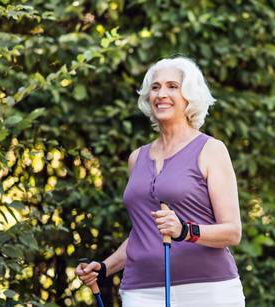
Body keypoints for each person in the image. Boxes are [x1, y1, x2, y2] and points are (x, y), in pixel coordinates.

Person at [75, 57, 245, 306]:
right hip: (140, 291)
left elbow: (232, 232)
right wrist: (104, 268)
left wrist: (185, 231)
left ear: (190, 96)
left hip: (207, 289)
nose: (161, 94)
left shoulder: (210, 150)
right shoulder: (137, 158)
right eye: (155, 87)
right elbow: (143, 233)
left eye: (172, 86)